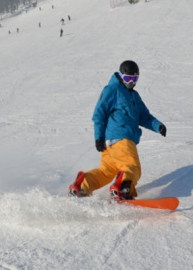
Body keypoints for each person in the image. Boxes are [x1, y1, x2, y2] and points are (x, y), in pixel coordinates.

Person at [68, 60, 167, 200]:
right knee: (132, 166)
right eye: (128, 78)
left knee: (106, 172)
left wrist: (158, 126)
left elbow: (144, 116)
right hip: (122, 139)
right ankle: (123, 188)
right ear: (121, 76)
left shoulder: (134, 96)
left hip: (111, 144)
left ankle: (82, 186)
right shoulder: (113, 89)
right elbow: (99, 114)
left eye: (134, 79)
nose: (131, 82)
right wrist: (98, 137)